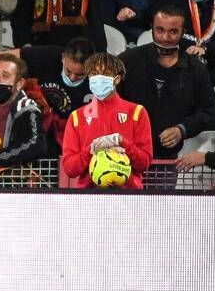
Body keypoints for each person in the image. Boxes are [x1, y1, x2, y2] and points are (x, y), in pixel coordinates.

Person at [118, 6, 215, 159]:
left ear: (183, 32)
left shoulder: (196, 69)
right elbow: (109, 103)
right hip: (126, 156)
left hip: (171, 160)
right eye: (160, 30)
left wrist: (182, 129)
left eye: (173, 31)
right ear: (152, 28)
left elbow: (208, 112)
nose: (165, 37)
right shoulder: (127, 60)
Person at [60, 52, 154, 190]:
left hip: (129, 198)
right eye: (93, 74)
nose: (98, 78)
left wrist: (123, 142)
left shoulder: (137, 112)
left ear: (117, 79)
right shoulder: (77, 117)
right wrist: (91, 150)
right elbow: (69, 168)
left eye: (105, 73)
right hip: (89, 199)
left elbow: (144, 163)